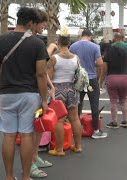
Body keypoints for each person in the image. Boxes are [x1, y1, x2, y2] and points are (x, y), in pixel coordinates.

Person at [0, 7, 49, 180]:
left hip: (7, 93)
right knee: (26, 135)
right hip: (29, 95)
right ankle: (25, 176)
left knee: (8, 135)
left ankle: (9, 177)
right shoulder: (37, 44)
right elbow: (40, 74)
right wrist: (44, 100)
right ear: (31, 23)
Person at [47, 27, 82, 156]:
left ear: (58, 42)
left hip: (57, 89)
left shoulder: (54, 59)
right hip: (72, 89)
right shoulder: (76, 58)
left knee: (59, 120)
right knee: (75, 118)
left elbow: (48, 78)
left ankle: (60, 149)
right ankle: (78, 146)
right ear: (69, 43)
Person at [29, 8, 55, 179]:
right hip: (31, 92)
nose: (45, 26)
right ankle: (30, 164)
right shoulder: (32, 43)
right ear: (34, 23)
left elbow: (42, 70)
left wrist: (50, 85)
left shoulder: (36, 42)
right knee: (31, 130)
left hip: (38, 92)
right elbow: (39, 72)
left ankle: (34, 157)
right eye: (43, 23)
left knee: (38, 127)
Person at [69, 29, 107, 139]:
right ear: (90, 36)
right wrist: (92, 63)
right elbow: (100, 63)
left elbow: (71, 62)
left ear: (81, 35)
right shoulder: (95, 47)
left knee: (77, 104)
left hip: (78, 79)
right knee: (94, 104)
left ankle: (76, 129)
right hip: (91, 78)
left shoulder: (73, 46)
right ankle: (96, 130)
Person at [99, 33, 127, 129]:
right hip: (124, 77)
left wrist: (100, 83)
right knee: (123, 100)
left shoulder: (108, 55)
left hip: (112, 78)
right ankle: (125, 121)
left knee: (113, 101)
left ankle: (114, 122)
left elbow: (104, 70)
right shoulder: (125, 53)